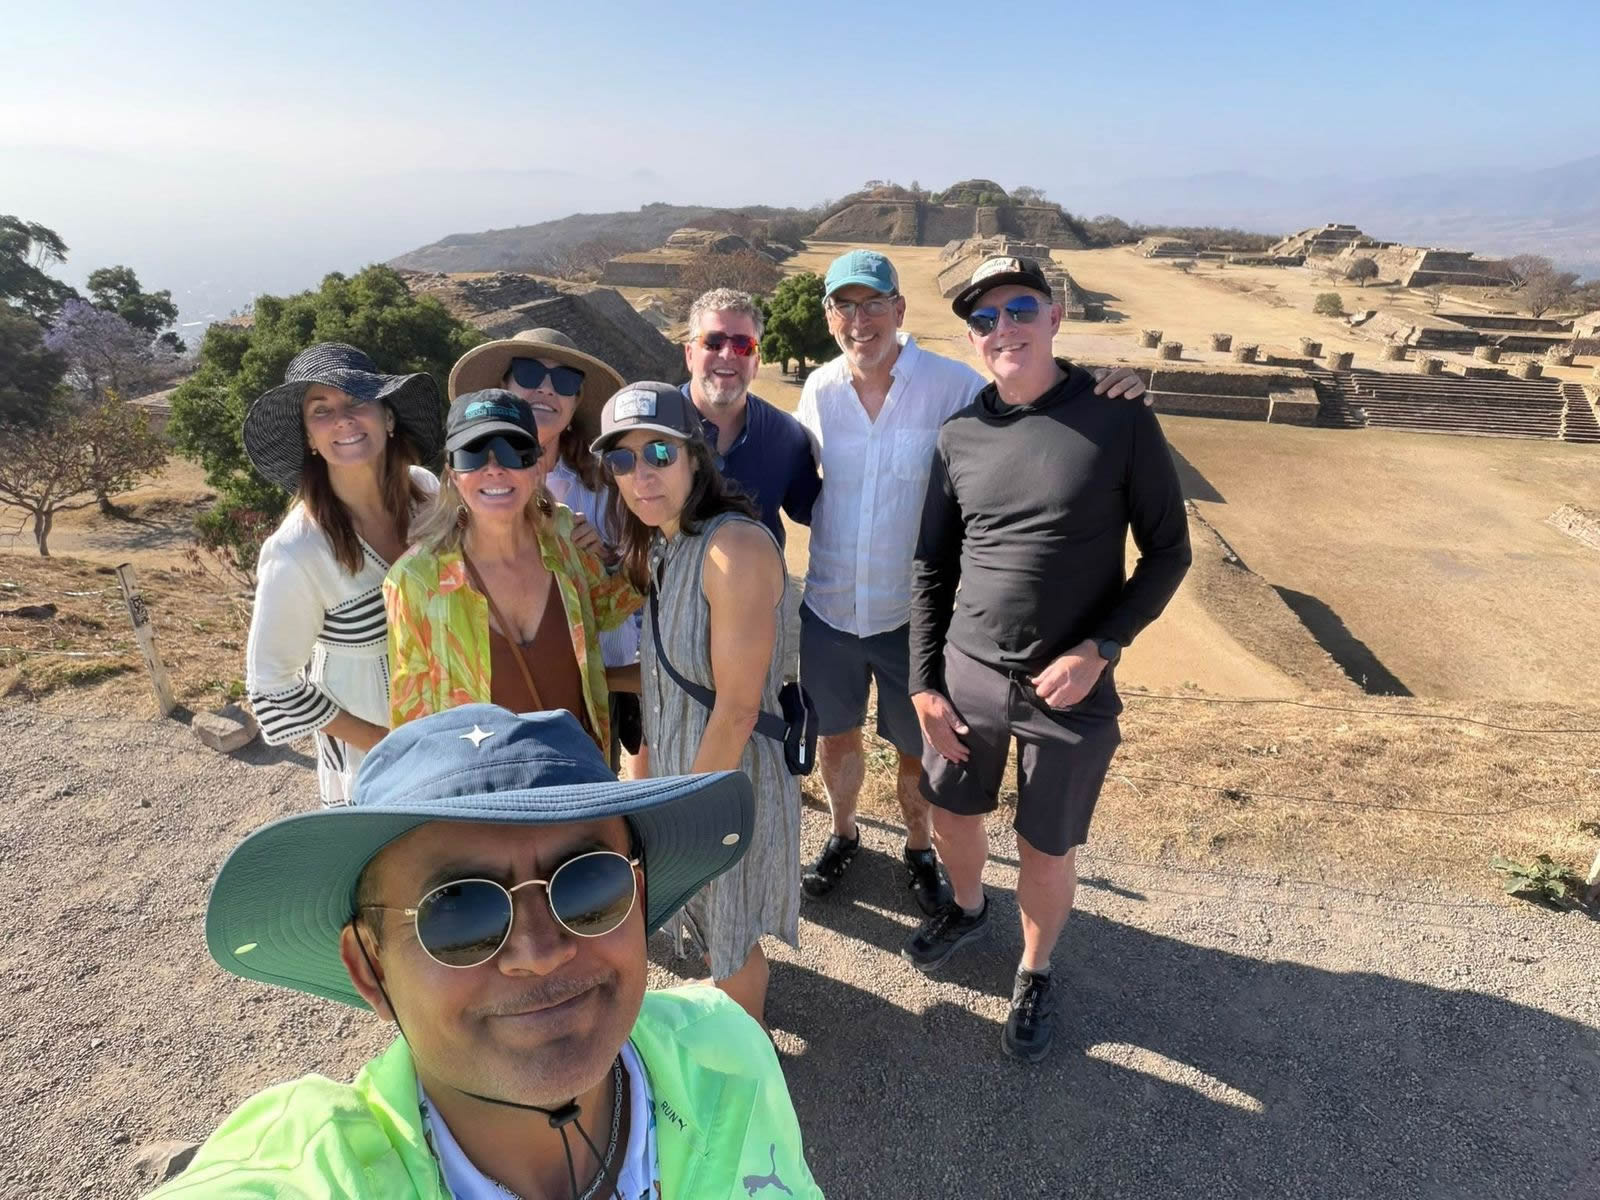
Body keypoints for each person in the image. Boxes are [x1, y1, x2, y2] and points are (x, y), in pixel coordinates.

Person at [150, 704, 823, 1198]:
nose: (539, 951)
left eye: (589, 884)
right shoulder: (308, 1175)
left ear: (640, 901)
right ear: (370, 968)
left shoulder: (730, 1048)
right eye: (461, 913)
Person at [794, 250, 1150, 914]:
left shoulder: (951, 386)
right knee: (834, 736)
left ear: (899, 310)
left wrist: (1102, 388)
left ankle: (919, 847)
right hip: (831, 605)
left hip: (914, 619)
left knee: (915, 750)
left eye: (875, 303)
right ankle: (843, 833)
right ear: (829, 317)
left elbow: (1029, 397)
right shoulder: (817, 390)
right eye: (846, 305)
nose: (861, 319)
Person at [905, 255, 1192, 1063]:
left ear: (1056, 314)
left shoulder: (1118, 416)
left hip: (1070, 685)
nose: (1005, 329)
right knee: (955, 814)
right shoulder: (959, 433)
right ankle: (966, 907)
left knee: (1046, 844)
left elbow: (1168, 552)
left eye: (1020, 308)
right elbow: (931, 565)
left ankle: (1034, 969)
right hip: (966, 671)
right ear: (972, 337)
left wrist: (1101, 650)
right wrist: (925, 683)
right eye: (985, 319)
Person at [595, 381, 799, 1026]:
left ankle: (746, 1072)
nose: (640, 475)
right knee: (717, 923)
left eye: (658, 453)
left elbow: (737, 707)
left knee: (732, 937)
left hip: (726, 777)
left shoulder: (730, 548)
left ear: (695, 456)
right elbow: (670, 672)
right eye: (622, 461)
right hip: (695, 767)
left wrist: (688, 819)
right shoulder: (669, 542)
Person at [242, 342, 442, 807]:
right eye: (322, 410)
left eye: (357, 402)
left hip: (455, 734)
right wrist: (386, 742)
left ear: (387, 418)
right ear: (309, 437)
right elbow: (271, 684)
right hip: (376, 768)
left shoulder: (427, 495)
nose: (344, 420)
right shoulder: (297, 551)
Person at [384, 389, 640, 749]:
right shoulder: (415, 581)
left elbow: (612, 606)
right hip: (481, 796)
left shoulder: (565, 539)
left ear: (537, 467)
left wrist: (622, 554)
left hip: (581, 781)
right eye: (472, 455)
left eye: (512, 452)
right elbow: (410, 718)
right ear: (453, 474)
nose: (493, 468)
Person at [449, 327, 646, 773]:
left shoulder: (609, 486)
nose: (544, 389)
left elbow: (636, 585)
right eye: (529, 373)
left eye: (564, 383)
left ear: (577, 404)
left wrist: (609, 559)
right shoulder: (456, 502)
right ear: (503, 386)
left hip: (591, 697)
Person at [679, 287, 819, 548]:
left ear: (756, 363)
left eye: (744, 345)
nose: (728, 354)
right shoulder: (655, 428)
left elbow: (823, 515)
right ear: (689, 354)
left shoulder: (785, 435)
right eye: (713, 342)